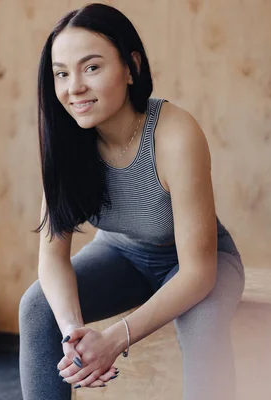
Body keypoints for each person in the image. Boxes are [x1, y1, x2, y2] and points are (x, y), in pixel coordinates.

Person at [18, 3, 245, 400]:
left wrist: (113, 340)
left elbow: (197, 273)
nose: (74, 88)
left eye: (91, 67)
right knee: (37, 306)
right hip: (120, 256)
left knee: (202, 321)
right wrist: (74, 333)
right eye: (61, 74)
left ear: (131, 66)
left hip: (198, 263)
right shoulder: (66, 140)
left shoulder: (175, 133)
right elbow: (52, 257)